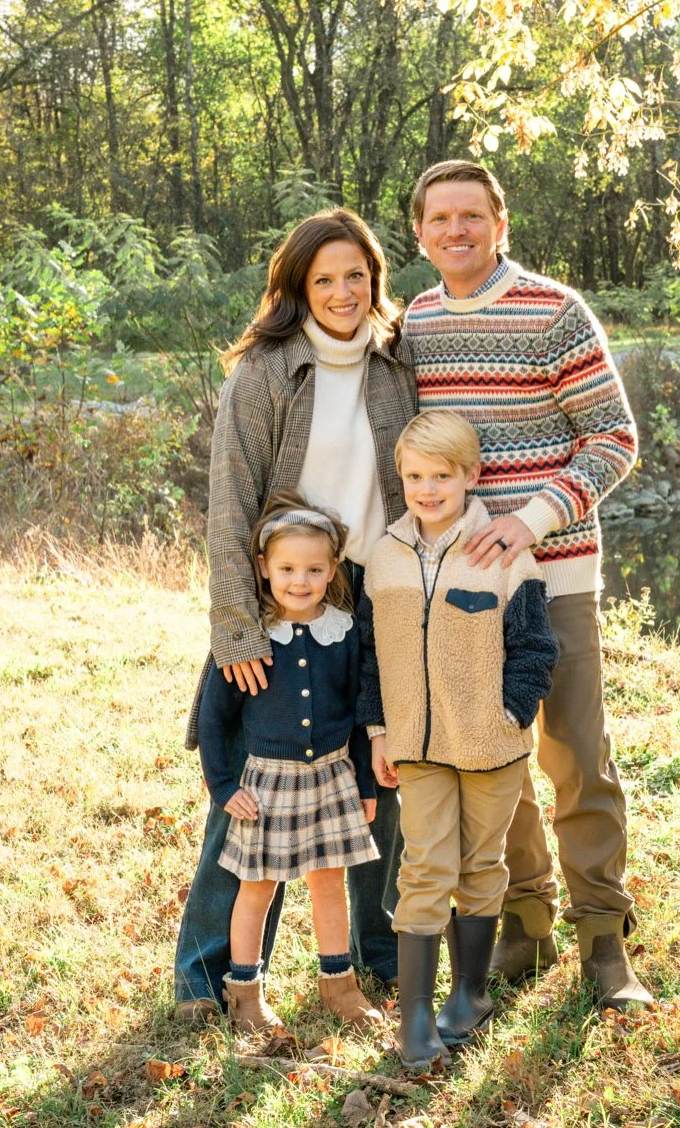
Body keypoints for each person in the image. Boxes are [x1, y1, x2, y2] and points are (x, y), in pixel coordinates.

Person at [400, 159, 651, 1010]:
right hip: (459, 584)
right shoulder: (419, 323)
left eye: (472, 216)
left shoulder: (555, 310)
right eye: (440, 219)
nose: (456, 231)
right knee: (486, 752)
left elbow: (614, 439)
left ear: (499, 225)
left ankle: (604, 941)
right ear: (421, 232)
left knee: (574, 752)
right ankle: (526, 919)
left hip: (556, 571)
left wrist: (533, 518)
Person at [173, 209, 417, 1024]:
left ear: (375, 279)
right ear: (296, 288)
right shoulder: (268, 370)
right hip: (285, 581)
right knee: (250, 782)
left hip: (373, 591)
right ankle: (211, 978)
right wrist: (237, 624)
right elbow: (230, 501)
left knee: (367, 778)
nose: (344, 292)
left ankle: (370, 965)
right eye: (325, 278)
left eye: (357, 275)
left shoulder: (395, 361)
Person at [358, 410, 558, 1070]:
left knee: (480, 866)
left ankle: (468, 996)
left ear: (471, 475)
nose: (427, 488)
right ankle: (414, 1016)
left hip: (490, 745)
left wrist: (510, 712)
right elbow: (369, 655)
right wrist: (379, 730)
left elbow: (534, 647)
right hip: (414, 745)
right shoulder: (382, 556)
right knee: (424, 867)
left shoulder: (503, 552)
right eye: (414, 475)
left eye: (441, 475)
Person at [196, 495, 385, 1035]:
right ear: (264, 568)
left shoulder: (343, 632)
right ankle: (245, 994)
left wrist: (365, 782)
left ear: (332, 570)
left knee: (330, 883)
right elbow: (214, 721)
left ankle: (338, 985)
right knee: (257, 887)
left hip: (332, 777)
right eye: (286, 569)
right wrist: (222, 785)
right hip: (268, 784)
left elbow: (354, 715)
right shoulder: (249, 638)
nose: (299, 580)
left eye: (313, 569)